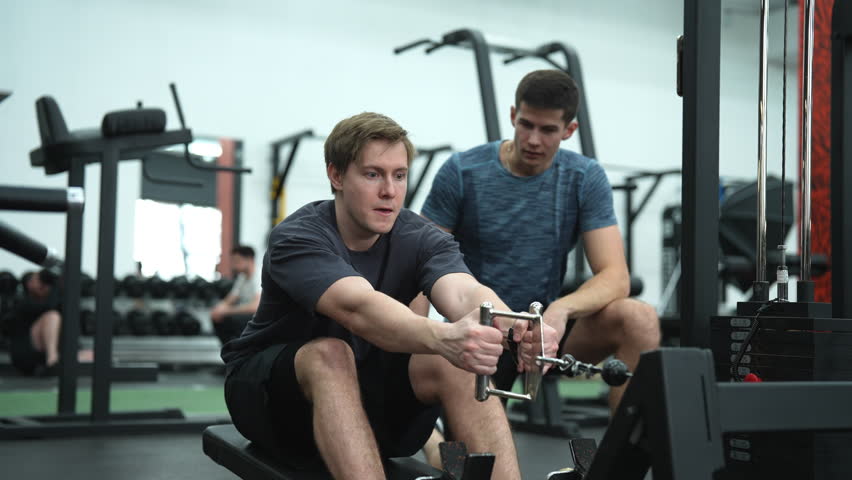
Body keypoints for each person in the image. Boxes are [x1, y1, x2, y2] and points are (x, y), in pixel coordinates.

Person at [221, 112, 558, 479]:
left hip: (365, 399)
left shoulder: (421, 236)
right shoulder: (299, 237)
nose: (390, 191)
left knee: (458, 362)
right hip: (272, 404)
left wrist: (518, 327)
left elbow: (464, 292)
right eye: (372, 174)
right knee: (331, 354)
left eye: (399, 175)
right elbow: (358, 308)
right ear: (336, 176)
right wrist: (446, 337)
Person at [421, 69, 660, 411]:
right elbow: (422, 264)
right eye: (526, 125)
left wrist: (559, 312)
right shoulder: (461, 172)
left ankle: (620, 457)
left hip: (548, 335)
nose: (534, 140)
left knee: (639, 319)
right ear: (513, 116)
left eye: (548, 130)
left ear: (569, 130)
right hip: (482, 332)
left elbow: (616, 277)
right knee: (472, 452)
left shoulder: (584, 178)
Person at [8, 269, 92, 375]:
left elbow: (72, 314)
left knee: (92, 355)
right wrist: (55, 287)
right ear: (28, 284)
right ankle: (52, 360)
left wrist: (58, 285)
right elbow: (47, 307)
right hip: (27, 355)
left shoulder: (57, 300)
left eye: (44, 282)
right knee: (52, 316)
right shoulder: (22, 302)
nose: (43, 284)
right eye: (37, 280)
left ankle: (55, 362)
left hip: (50, 354)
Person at [211, 245, 261, 345]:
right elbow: (231, 298)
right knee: (217, 317)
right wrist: (218, 309)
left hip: (259, 316)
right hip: (246, 314)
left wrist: (226, 311)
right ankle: (230, 351)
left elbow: (255, 307)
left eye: (237, 261)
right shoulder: (242, 277)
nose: (234, 265)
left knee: (232, 319)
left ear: (249, 260)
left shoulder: (259, 275)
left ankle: (242, 351)